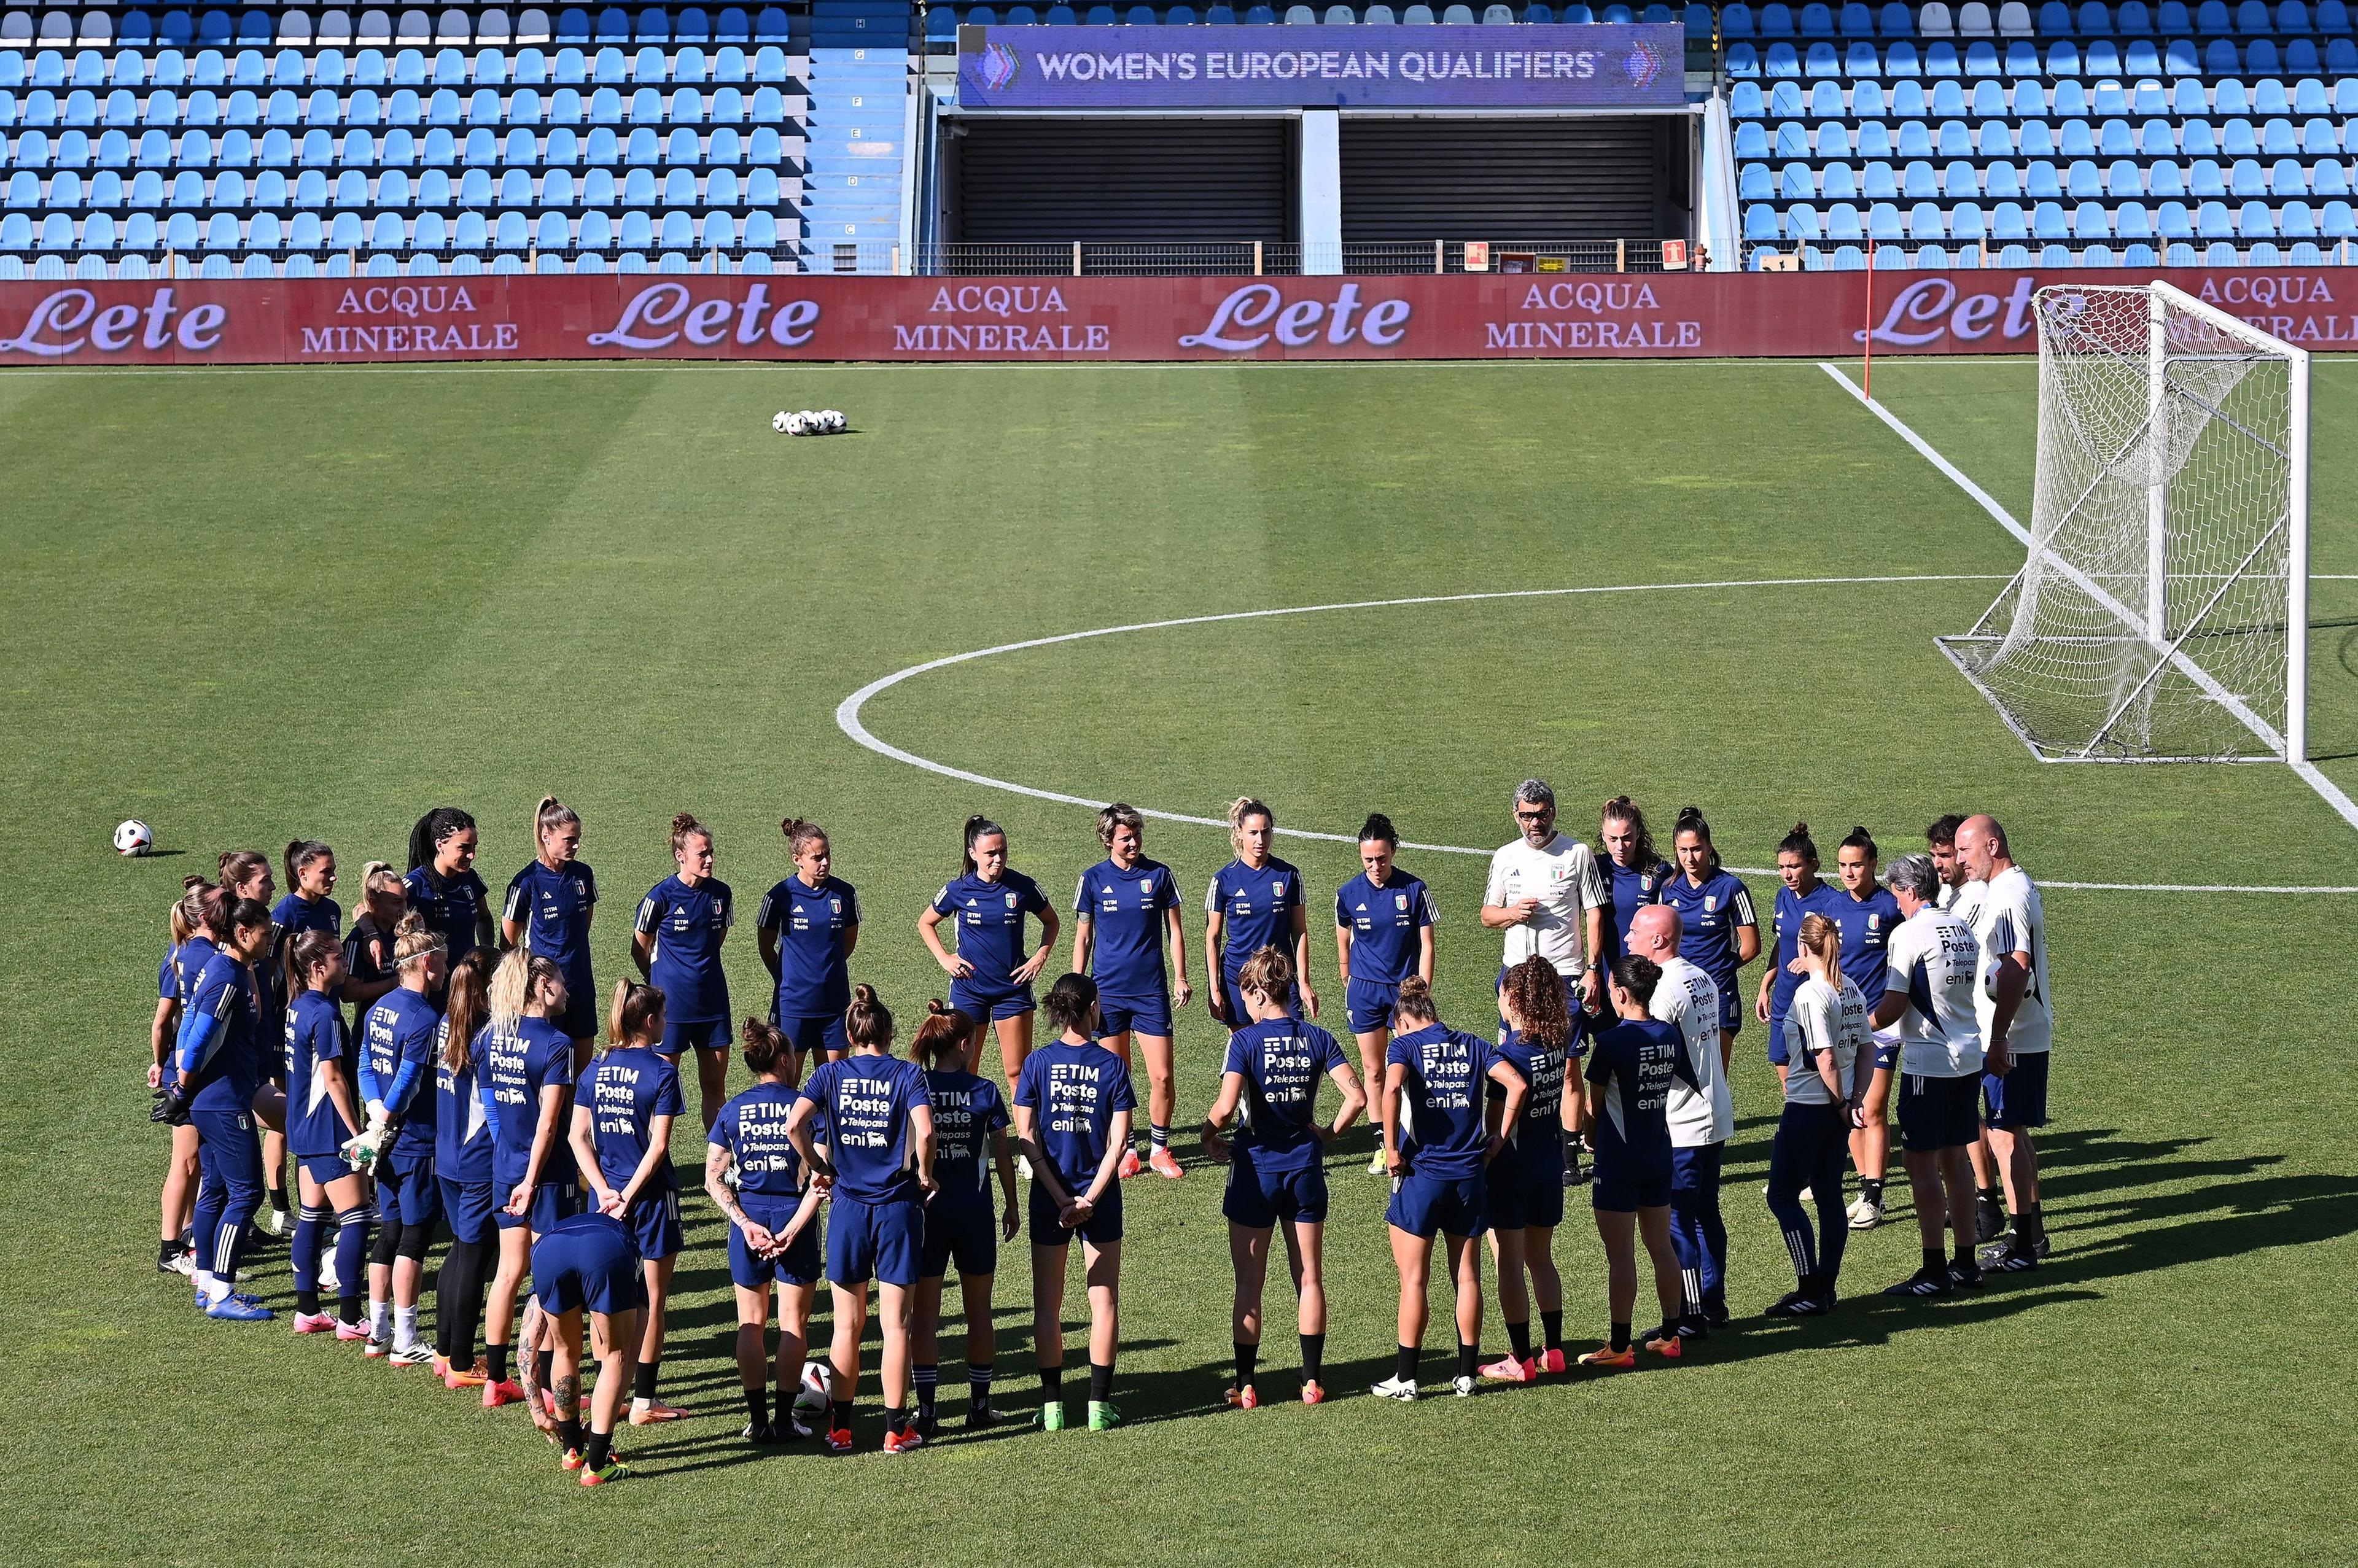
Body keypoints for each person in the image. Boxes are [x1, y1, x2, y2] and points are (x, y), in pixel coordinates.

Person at [1200, 947, 1363, 1408]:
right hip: (1305, 1168)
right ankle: (1312, 1381)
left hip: (1255, 1170)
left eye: (1244, 995)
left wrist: (1205, 1137)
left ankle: (1246, 1385)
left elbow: (1227, 1107)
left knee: (1249, 1284)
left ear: (1257, 992)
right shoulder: (1318, 1037)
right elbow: (1357, 1096)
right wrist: (1327, 1134)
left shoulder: (1245, 1041)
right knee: (1309, 1277)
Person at [785, 984, 938, 1454]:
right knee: (897, 1326)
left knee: (846, 1327)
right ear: (889, 1034)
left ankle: (842, 1430)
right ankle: (896, 1430)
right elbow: (927, 1131)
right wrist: (926, 1175)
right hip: (897, 1208)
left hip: (848, 1209)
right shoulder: (908, 1075)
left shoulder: (830, 1075)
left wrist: (818, 1165)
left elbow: (794, 1125)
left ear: (851, 1035)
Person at [1370, 976, 1520, 1401]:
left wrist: (1391, 1147)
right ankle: (1467, 1375)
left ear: (1402, 1023)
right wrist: (1498, 1139)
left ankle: (1407, 1379)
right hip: (1470, 1175)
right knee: (1467, 1276)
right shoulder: (1473, 1044)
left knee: (1414, 1280)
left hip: (1423, 1176)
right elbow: (1517, 1084)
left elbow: (1392, 1086)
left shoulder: (1405, 1047)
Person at [1011, 974, 1135, 1432]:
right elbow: (1118, 1143)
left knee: (1048, 1306)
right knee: (1103, 1302)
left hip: (1049, 1198)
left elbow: (1026, 1139)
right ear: (1090, 1010)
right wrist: (1089, 1199)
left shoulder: (1037, 1063)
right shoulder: (1113, 1065)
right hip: (1099, 1196)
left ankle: (1052, 1408)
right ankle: (1099, 1408)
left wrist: (1061, 1197)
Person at [1870, 853, 1987, 1297]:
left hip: (1929, 1063)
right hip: (1967, 1056)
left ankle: (1934, 1271)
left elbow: (1893, 1007)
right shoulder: (1961, 928)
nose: (1896, 902)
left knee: (1920, 1161)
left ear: (1911, 891)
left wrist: (1852, 1025)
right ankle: (1965, 1263)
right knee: (1956, 1159)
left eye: (1897, 892)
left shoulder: (1908, 933)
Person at [572, 979, 688, 1424]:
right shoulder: (662, 1071)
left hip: (603, 1204)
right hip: (652, 1200)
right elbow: (657, 1149)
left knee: (607, 1299)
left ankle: (610, 1390)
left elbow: (576, 1137)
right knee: (653, 1300)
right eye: (663, 1016)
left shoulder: (597, 1066)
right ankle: (643, 1400)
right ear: (650, 1021)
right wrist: (628, 1197)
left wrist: (604, 1191)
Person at [707, 1017, 827, 1444]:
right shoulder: (805, 1108)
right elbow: (822, 1179)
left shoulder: (732, 1109)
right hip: (795, 1217)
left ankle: (757, 1422)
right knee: (793, 1325)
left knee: (750, 1324)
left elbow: (713, 1179)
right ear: (783, 1058)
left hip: (750, 1224)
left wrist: (746, 1225)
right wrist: (793, 1230)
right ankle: (782, 1420)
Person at [1579, 956, 1698, 1366]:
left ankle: (1618, 1346)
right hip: (1658, 1153)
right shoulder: (1668, 1034)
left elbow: (1594, 1108)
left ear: (1622, 994)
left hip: (1619, 1162)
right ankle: (1670, 1335)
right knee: (1661, 1246)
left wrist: (1588, 1139)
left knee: (1621, 1256)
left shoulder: (1611, 1042)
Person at [165, 888, 276, 1322]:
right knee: (246, 1193)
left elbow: (189, 1025)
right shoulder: (228, 975)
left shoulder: (217, 966)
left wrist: (184, 1088)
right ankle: (223, 1293)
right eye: (264, 935)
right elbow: (198, 1038)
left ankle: (209, 1283)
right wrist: (182, 1088)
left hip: (212, 1099)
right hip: (224, 1100)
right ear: (243, 932)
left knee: (214, 1189)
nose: (269, 942)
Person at [911, 1001, 1019, 1434]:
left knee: (925, 1317)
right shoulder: (985, 1091)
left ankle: (928, 1412)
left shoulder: (915, 1086)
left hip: (926, 1214)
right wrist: (1012, 1204)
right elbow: (1002, 1155)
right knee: (979, 1311)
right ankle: (979, 1406)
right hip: (974, 1213)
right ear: (963, 1044)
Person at [480, 948, 580, 1410]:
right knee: (547, 1278)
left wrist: (514, 1168)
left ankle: (496, 1381)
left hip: (505, 1168)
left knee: (507, 1273)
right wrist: (534, 1178)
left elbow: (494, 1108)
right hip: (547, 1175)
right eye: (559, 980)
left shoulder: (491, 1036)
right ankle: (543, 1379)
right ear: (543, 987)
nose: (566, 989)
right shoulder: (557, 1044)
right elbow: (549, 1124)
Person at [1070, 804, 1193, 1179]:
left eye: (1137, 835)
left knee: (1162, 1076)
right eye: (1126, 837)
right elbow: (1084, 936)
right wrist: (1077, 987)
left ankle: (1159, 1149)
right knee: (1116, 1076)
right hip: (1106, 995)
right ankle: (1125, 1150)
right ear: (1108, 840)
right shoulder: (1091, 879)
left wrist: (1180, 976)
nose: (1134, 842)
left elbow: (1175, 931)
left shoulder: (1159, 875)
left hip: (1150, 993)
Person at [1629, 904, 1732, 1335]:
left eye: (1635, 932)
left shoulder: (1662, 990)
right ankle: (1712, 1303)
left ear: (1658, 940)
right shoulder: (1701, 976)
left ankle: (1689, 1315)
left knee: (1677, 1217)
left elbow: (1650, 1054)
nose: (1629, 937)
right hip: (1715, 1111)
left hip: (1682, 1121)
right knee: (1706, 1211)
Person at [1957, 815, 2052, 1273]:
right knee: (2012, 1133)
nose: (1958, 860)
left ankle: (2020, 1246)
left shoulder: (2010, 895)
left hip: (2012, 1037)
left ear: (1992, 846)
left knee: (2002, 1136)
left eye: (1964, 851)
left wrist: (1996, 1038)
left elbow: (2016, 968)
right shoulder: (2008, 889)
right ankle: (2032, 1234)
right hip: (2019, 1033)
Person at [1476, 956, 1574, 1383]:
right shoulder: (1556, 1044)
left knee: (1510, 1265)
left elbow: (1496, 1127)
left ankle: (1521, 1359)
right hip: (1548, 1165)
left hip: (1512, 1171)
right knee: (1542, 1260)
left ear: (1513, 999)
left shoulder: (1508, 1057)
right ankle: (1554, 1351)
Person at [1764, 914, 1868, 1316]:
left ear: (1803, 948)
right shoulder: (1852, 989)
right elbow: (1866, 1051)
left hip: (1809, 1109)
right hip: (1835, 1114)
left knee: (1782, 1196)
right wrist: (1853, 1100)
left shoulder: (1812, 995)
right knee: (1829, 1195)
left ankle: (1809, 1289)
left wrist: (1842, 1102)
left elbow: (1823, 1056)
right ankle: (1826, 1287)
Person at [358, 914, 448, 1364]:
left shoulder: (380, 1007)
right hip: (415, 1140)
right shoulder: (426, 1017)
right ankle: (406, 1340)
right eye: (444, 961)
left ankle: (378, 1332)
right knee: (414, 1239)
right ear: (428, 963)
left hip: (386, 1141)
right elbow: (410, 1080)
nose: (447, 969)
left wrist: (375, 1114)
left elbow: (364, 1065)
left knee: (389, 1233)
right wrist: (388, 1117)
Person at [920, 816, 1060, 1087]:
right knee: (963, 1071)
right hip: (968, 990)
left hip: (1013, 990)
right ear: (973, 854)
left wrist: (1039, 957)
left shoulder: (1023, 886)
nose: (998, 859)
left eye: (1003, 851)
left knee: (1018, 1072)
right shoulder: (958, 889)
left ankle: (1026, 1132)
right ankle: (969, 1131)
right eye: (990, 854)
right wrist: (944, 957)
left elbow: (1051, 921)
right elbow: (926, 922)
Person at [1334, 813, 1438, 1176]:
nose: (1376, 866)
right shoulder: (1348, 894)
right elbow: (1343, 938)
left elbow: (1427, 945)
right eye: (1368, 860)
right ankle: (1383, 1144)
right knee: (1374, 1070)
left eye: (1382, 857)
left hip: (1404, 992)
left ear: (1393, 852)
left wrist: (1421, 989)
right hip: (1364, 991)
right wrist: (1347, 976)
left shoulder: (1414, 889)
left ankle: (1416, 1135)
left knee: (1410, 1066)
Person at [283, 929, 370, 1338]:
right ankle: (352, 1318)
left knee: (312, 1219)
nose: (345, 962)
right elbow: (334, 1079)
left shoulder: (298, 1006)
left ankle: (308, 1311)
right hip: (330, 1131)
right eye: (338, 957)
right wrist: (358, 1133)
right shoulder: (326, 1015)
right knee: (356, 1219)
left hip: (302, 1128)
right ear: (319, 967)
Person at [517, 1211, 643, 1487]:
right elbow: (633, 1343)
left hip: (550, 1251)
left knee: (564, 1350)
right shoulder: (624, 1239)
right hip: (607, 1249)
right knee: (616, 1355)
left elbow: (526, 1351)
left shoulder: (544, 1250)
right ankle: (597, 1464)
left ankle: (572, 1450)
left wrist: (539, 1412)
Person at [634, 812, 735, 1133]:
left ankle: (718, 1169)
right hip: (671, 1008)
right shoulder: (659, 897)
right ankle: (653, 1166)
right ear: (681, 856)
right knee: (660, 1092)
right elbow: (640, 948)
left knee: (715, 1089)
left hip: (712, 1005)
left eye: (710, 852)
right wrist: (661, 983)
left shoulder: (721, 894)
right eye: (702, 853)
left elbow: (716, 941)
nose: (709, 859)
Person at [1929, 810, 2003, 1243]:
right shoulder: (1945, 896)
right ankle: (1976, 1201)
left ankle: (1988, 1203)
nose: (1941, 863)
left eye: (1948, 854)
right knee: (1961, 1115)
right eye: (1937, 854)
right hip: (1953, 1022)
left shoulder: (1979, 896)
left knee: (1979, 1118)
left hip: (1976, 1021)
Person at [1829, 826, 1907, 1230]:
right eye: (1842, 865)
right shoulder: (1833, 906)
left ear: (1874, 864)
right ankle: (1863, 1188)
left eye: (1856, 864)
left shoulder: (1892, 906)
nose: (1849, 872)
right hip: (1844, 1025)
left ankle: (1875, 1198)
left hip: (1883, 1025)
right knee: (1852, 1111)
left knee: (1874, 1108)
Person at [433, 949, 499, 1388]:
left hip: (447, 1155)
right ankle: (460, 1363)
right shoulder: (486, 1036)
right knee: (472, 1260)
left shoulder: (447, 1024)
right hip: (477, 1160)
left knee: (458, 1252)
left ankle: (444, 1352)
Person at [1659, 806, 1759, 1084]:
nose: (1690, 857)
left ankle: (1718, 1128)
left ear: (1709, 846)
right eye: (1683, 850)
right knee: (1677, 1078)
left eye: (1696, 849)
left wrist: (1721, 967)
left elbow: (1751, 946)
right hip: (1676, 992)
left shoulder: (1730, 887)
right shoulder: (1668, 889)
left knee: (1714, 1079)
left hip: (1718, 993)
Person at [222, 850, 294, 1238]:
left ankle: (250, 1223)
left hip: (257, 1051)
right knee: (211, 1161)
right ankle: (193, 1246)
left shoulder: (258, 936)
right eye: (264, 880)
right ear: (242, 888)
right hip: (228, 1076)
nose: (272, 885)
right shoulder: (227, 958)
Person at [1203, 797, 1320, 1028]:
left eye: (1266, 832)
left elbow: (1300, 932)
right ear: (1240, 833)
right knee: (1246, 1056)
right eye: (1253, 833)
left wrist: (1304, 982)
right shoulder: (1224, 880)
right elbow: (1212, 937)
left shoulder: (1289, 875)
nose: (1260, 840)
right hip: (1239, 978)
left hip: (1281, 977)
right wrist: (1214, 988)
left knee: (1292, 1049)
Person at [502, 796, 599, 1073]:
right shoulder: (526, 882)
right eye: (570, 839)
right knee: (548, 1075)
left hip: (580, 984)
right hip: (542, 992)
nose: (577, 845)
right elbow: (509, 943)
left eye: (578, 838)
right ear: (547, 836)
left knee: (580, 1077)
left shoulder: (583, 875)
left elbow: (583, 924)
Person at [757, 817, 860, 1069]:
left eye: (827, 855)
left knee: (833, 1085)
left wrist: (826, 971)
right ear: (797, 859)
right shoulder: (779, 896)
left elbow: (848, 943)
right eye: (817, 858)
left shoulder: (845, 893)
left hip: (834, 1004)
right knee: (787, 1085)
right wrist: (786, 975)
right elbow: (766, 946)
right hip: (793, 1005)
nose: (825, 862)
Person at [1756, 823, 1844, 1091]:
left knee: (1818, 1072)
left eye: (1794, 866)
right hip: (1784, 997)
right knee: (1783, 1065)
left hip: (1815, 998)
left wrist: (1809, 964)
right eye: (1782, 867)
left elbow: (1839, 951)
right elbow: (1781, 943)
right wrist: (1765, 985)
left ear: (1813, 865)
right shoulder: (1783, 896)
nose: (1787, 874)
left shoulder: (1831, 902)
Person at [151, 882, 206, 1278]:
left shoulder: (184, 954)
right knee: (185, 1161)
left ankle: (190, 1237)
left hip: (191, 1066)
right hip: (183, 1069)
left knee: (198, 1160)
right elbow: (163, 1022)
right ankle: (171, 1248)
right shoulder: (182, 957)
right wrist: (160, 1064)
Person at [405, 807, 494, 970]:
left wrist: (487, 953)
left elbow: (484, 917)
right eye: (464, 848)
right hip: (433, 987)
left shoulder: (471, 879)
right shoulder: (415, 885)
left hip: (468, 980)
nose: (472, 855)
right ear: (440, 845)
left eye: (474, 846)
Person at [1597, 795, 1674, 966]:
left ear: (1638, 833)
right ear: (1603, 835)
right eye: (1613, 839)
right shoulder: (1594, 869)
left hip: (1645, 970)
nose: (1620, 847)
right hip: (1603, 969)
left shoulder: (1659, 871)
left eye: (1627, 838)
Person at [341, 863, 409, 1024]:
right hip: (371, 1030)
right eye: (396, 902)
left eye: (405, 900)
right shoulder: (358, 938)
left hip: (402, 1026)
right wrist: (394, 983)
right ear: (373, 903)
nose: (404, 909)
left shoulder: (403, 933)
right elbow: (347, 992)